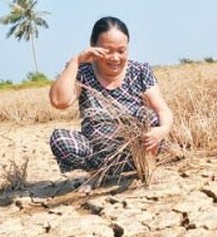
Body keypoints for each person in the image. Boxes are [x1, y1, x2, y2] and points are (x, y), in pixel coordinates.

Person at [49, 16, 173, 177]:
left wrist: (163, 130)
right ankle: (97, 174)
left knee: (149, 116)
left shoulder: (140, 71)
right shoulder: (83, 73)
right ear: (93, 47)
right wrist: (75, 62)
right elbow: (59, 101)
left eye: (121, 51)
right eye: (108, 51)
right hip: (96, 155)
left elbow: (162, 110)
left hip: (135, 153)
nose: (115, 58)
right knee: (59, 139)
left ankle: (146, 167)